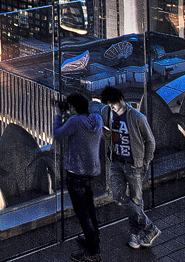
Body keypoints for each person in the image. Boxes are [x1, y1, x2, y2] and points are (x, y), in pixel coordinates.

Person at [101, 86, 160, 249]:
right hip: (116, 162)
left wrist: (145, 162)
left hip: (134, 164)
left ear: (121, 99)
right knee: (118, 196)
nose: (111, 106)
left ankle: (136, 234)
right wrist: (106, 136)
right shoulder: (106, 113)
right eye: (108, 103)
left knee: (136, 200)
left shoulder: (137, 117)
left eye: (113, 103)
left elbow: (150, 141)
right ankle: (150, 228)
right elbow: (106, 135)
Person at [54, 92, 104, 262]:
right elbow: (83, 124)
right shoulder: (97, 119)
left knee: (82, 213)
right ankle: (94, 239)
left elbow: (58, 134)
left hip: (76, 174)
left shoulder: (75, 121)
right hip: (92, 173)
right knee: (90, 208)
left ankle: (93, 251)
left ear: (73, 107)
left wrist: (59, 115)